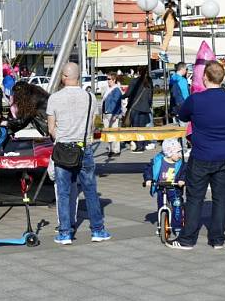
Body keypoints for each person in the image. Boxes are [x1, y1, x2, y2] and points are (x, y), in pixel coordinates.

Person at [168, 61, 225, 250]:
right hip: (224, 154)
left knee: (195, 198)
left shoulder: (196, 99)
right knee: (221, 197)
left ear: (205, 77)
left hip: (202, 154)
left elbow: (182, 115)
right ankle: (217, 239)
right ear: (222, 78)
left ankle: (187, 239)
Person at [47, 62, 109, 245]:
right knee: (90, 190)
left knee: (64, 192)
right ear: (78, 77)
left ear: (64, 77)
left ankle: (65, 233)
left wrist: (64, 137)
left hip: (63, 150)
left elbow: (51, 129)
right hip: (85, 148)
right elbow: (91, 126)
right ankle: (98, 230)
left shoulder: (54, 98)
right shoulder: (90, 97)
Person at [143, 138, 186, 235]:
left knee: (177, 205)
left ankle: (177, 226)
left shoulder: (180, 163)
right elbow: (148, 169)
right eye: (177, 152)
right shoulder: (158, 161)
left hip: (174, 188)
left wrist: (182, 180)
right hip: (161, 188)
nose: (180, 155)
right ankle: (161, 225)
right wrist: (148, 179)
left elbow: (185, 172)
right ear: (170, 153)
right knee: (161, 206)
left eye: (180, 152)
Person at [123, 67, 153, 152]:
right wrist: (149, 105)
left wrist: (121, 96)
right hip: (145, 108)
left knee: (136, 127)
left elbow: (128, 93)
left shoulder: (134, 81)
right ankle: (142, 145)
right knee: (142, 128)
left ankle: (138, 146)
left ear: (138, 72)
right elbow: (150, 96)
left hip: (135, 107)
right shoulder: (149, 82)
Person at [101, 73, 123, 156]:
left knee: (114, 132)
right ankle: (110, 149)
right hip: (106, 113)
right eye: (107, 79)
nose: (108, 80)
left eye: (109, 79)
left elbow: (117, 103)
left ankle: (116, 150)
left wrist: (116, 114)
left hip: (112, 113)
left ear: (114, 80)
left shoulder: (116, 89)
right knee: (108, 133)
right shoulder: (108, 89)